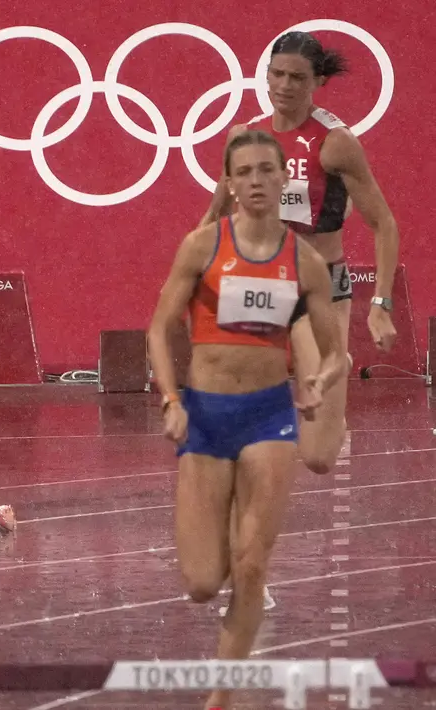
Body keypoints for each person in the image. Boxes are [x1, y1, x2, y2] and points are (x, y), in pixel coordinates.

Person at [150, 129, 346, 710]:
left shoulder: (304, 262)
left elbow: (336, 352)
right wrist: (171, 400)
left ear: (286, 178)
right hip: (207, 418)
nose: (258, 180)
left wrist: (316, 381)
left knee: (253, 564)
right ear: (230, 184)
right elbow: (159, 328)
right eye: (246, 172)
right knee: (203, 582)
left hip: (269, 418)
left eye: (267, 170)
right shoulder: (203, 247)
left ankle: (222, 695)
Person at [199, 31, 400, 476]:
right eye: (277, 74)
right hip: (258, 282)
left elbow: (383, 223)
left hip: (318, 287)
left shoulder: (336, 143)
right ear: (265, 75)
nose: (285, 86)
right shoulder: (244, 136)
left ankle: (336, 366)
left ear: (317, 83)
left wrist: (381, 304)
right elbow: (215, 212)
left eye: (297, 77)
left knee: (318, 458)